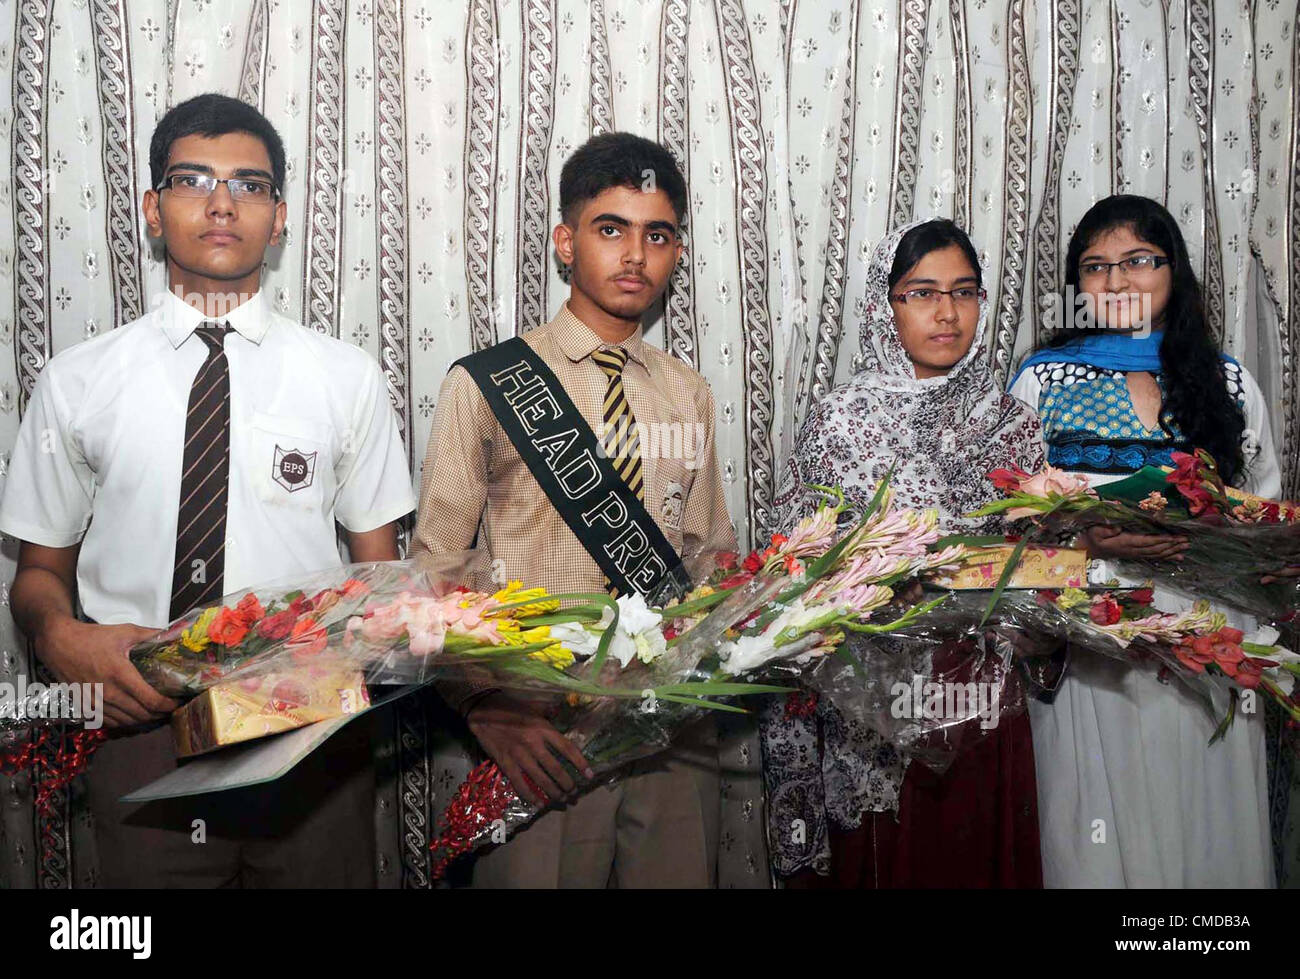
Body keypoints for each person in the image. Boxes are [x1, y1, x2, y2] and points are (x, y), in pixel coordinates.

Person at [0, 93, 416, 887]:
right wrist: (60, 641)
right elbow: (38, 572)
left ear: (280, 214)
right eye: (194, 180)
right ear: (154, 209)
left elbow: (380, 576)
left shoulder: (345, 378)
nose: (222, 201)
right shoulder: (78, 380)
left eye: (249, 185)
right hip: (139, 732)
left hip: (308, 734)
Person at [412, 132, 736, 887]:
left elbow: (709, 550)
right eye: (610, 229)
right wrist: (485, 703)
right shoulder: (487, 382)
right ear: (566, 241)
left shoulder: (688, 392)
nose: (635, 255)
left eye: (657, 235)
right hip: (536, 732)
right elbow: (434, 571)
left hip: (667, 727)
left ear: (677, 252)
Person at [760, 218, 1047, 887]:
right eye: (920, 292)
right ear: (881, 307)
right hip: (876, 713)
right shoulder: (839, 421)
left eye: (965, 291)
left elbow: (1041, 573)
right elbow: (795, 578)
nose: (947, 312)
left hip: (984, 703)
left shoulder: (1011, 423)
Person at [1009, 193, 1277, 887]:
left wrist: (1201, 532)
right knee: (1099, 823)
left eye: (1137, 261)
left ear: (1173, 269)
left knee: (1210, 817)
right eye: (1095, 267)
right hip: (1097, 639)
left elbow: (1265, 513)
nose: (1117, 281)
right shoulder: (1042, 382)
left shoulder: (1230, 382)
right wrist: (1086, 534)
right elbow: (1008, 520)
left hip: (1210, 634)